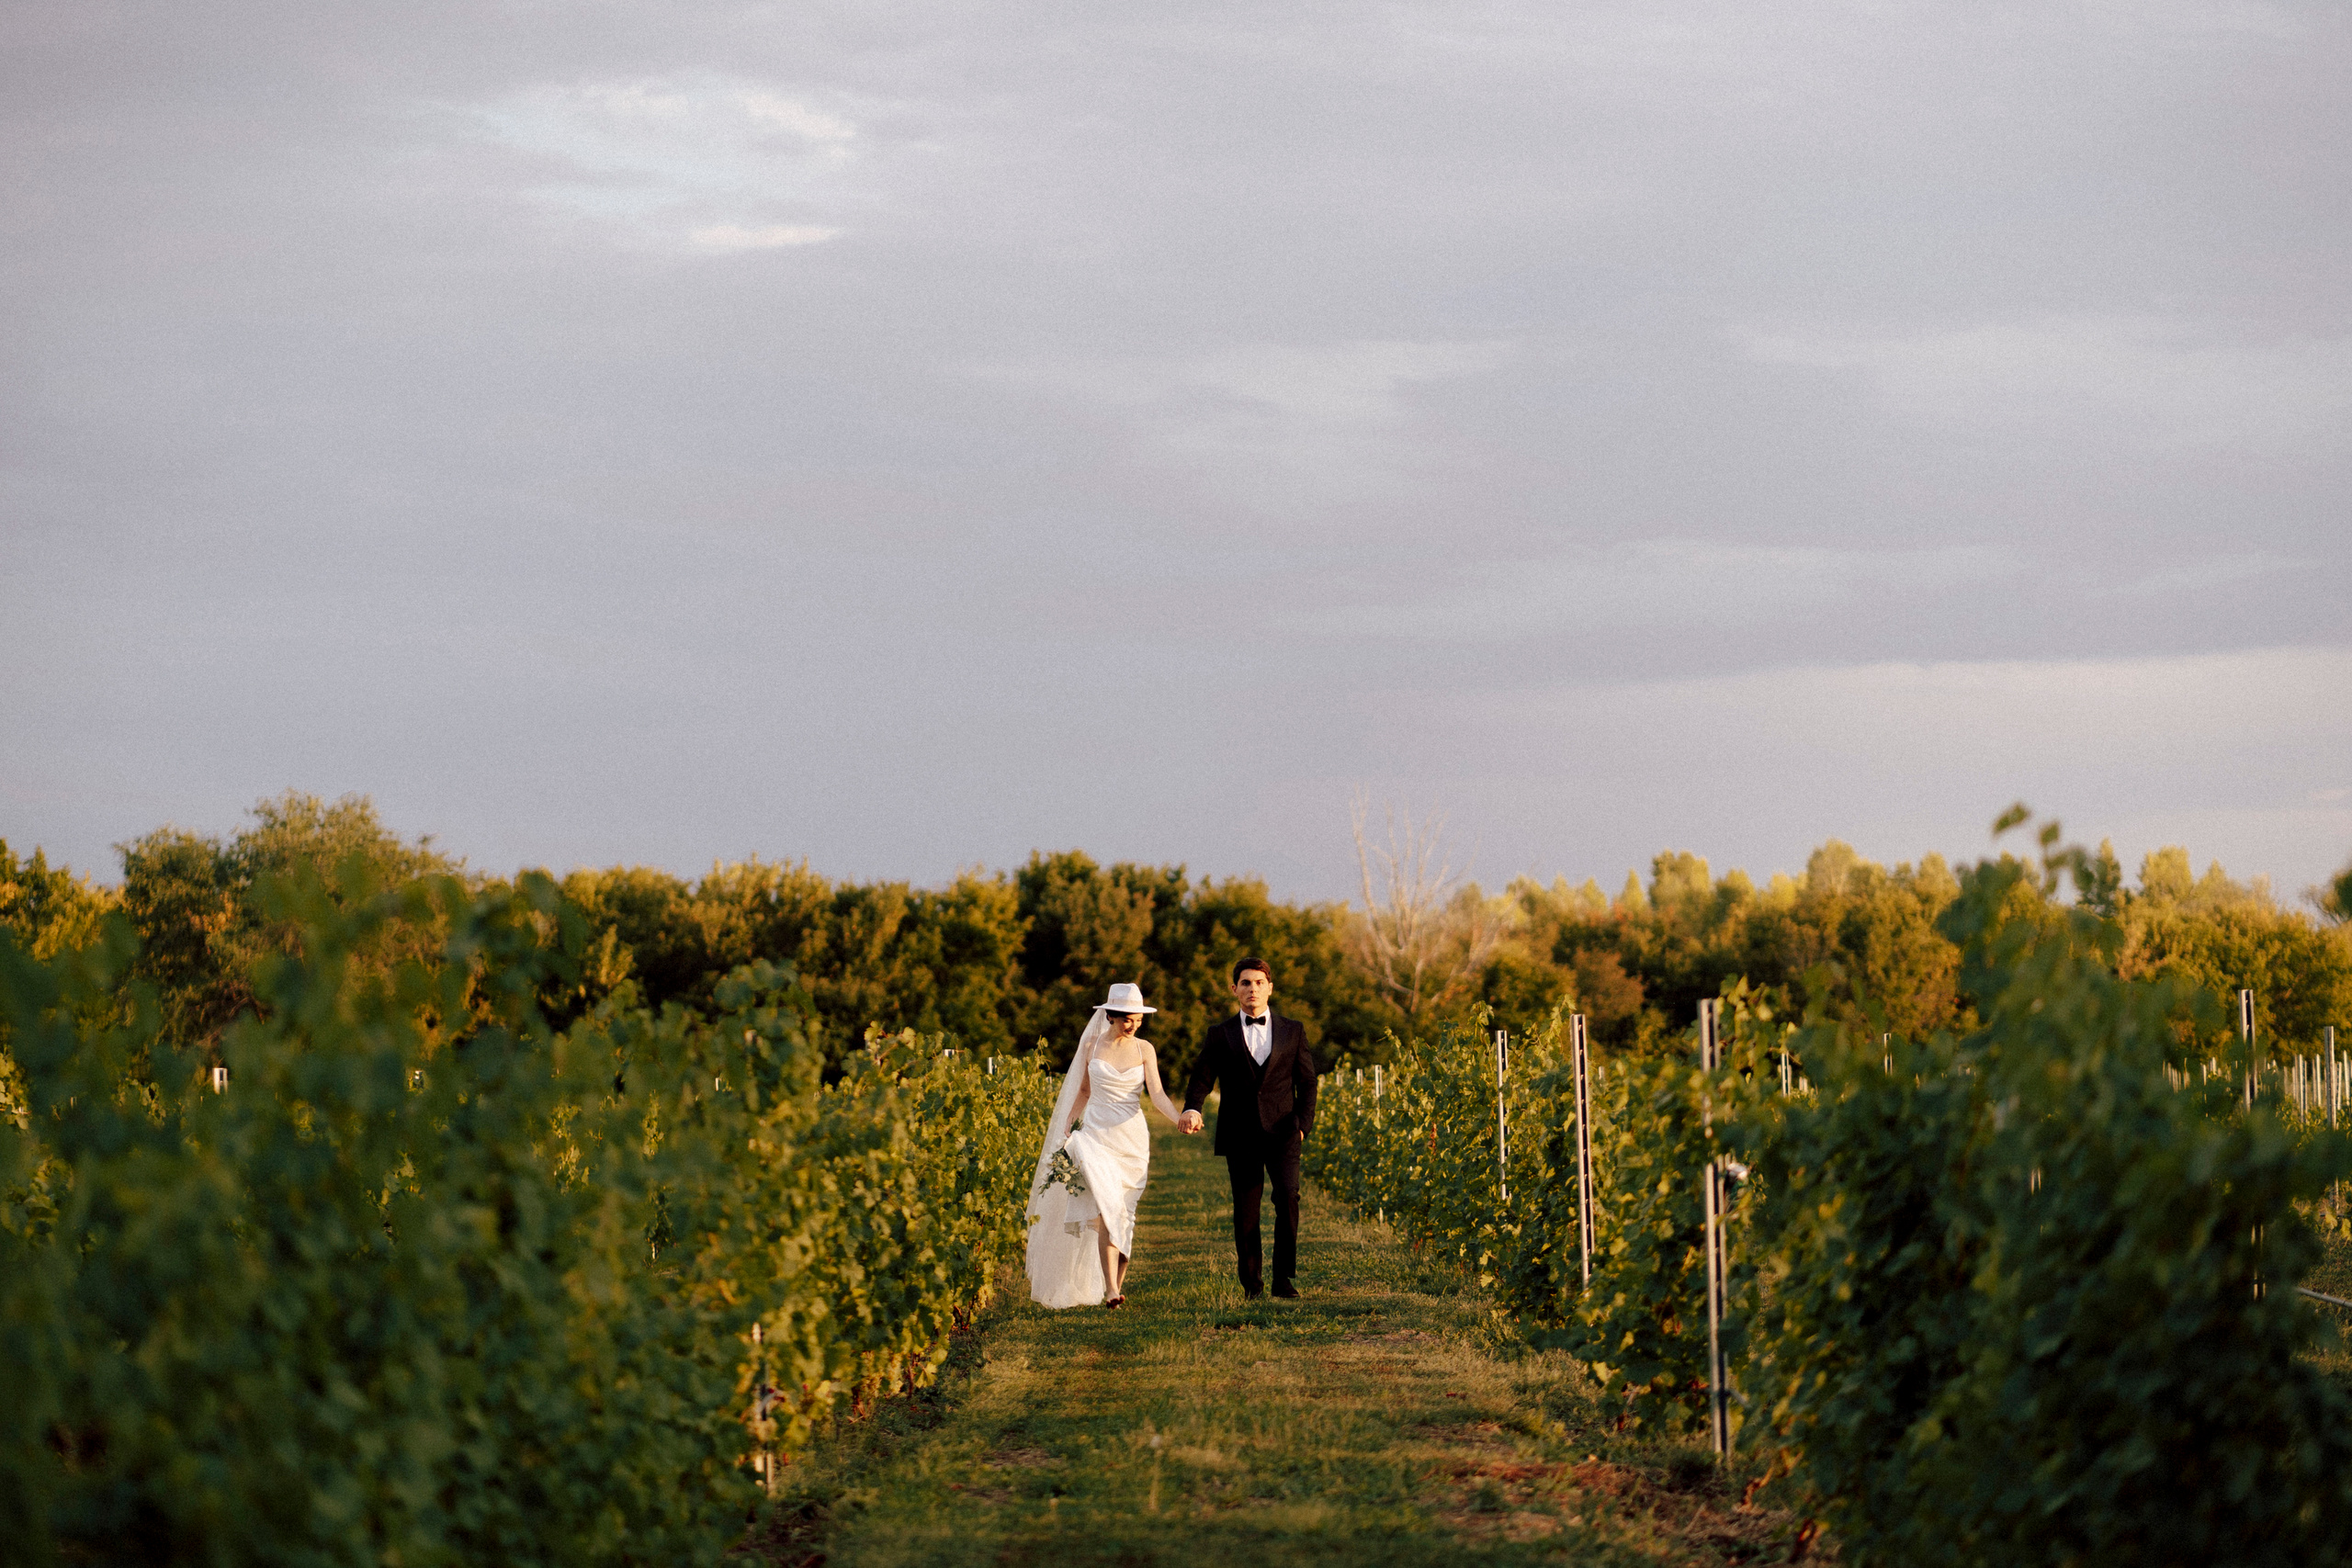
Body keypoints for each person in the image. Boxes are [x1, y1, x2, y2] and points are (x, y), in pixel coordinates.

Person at [1024, 982, 1184, 1309]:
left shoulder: (1145, 1049)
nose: (1133, 1025)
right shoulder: (1092, 1045)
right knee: (1106, 1208)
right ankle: (1111, 1288)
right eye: (1127, 1019)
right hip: (1096, 1136)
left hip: (1132, 1140)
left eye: (1138, 1019)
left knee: (1125, 1212)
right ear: (1111, 1016)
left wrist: (1179, 1118)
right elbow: (1084, 1091)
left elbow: (1157, 1095)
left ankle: (1115, 1287)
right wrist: (1068, 1126)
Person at [1179, 957, 1318, 1299]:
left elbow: (1307, 1081)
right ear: (1234, 989)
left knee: (1288, 1197)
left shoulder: (1293, 1030)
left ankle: (1283, 1279)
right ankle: (1252, 1285)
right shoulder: (1219, 1034)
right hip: (1240, 1132)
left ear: (1270, 988)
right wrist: (1193, 1108)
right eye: (1245, 983)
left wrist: (1302, 1125)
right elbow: (1202, 1078)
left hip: (1284, 1131)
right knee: (1246, 1211)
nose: (1252, 989)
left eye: (1259, 982)